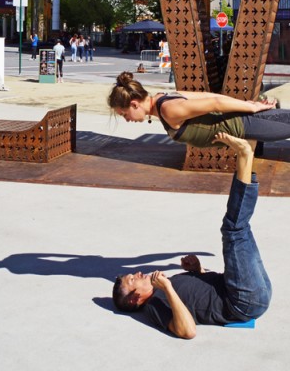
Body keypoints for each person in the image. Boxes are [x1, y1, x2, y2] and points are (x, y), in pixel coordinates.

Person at [112, 132, 271, 337]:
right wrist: (168, 288)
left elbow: (205, 297)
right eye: (132, 279)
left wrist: (198, 270)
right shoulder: (154, 306)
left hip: (247, 292)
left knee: (240, 228)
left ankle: (246, 158)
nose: (138, 273)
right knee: (233, 229)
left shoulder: (161, 289)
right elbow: (188, 331)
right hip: (242, 301)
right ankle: (245, 154)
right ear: (134, 299)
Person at [107, 72, 290, 148]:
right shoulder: (164, 98)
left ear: (133, 103)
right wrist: (252, 105)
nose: (127, 120)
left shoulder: (167, 109)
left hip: (247, 126)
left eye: (124, 114)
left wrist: (250, 106)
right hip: (246, 122)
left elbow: (214, 103)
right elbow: (209, 95)